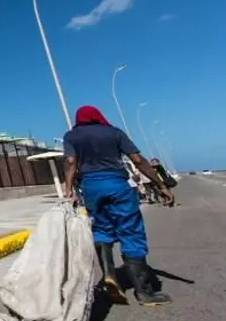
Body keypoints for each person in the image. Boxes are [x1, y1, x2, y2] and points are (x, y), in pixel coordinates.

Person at [63, 105, 174, 306]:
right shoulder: (114, 132)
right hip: (116, 184)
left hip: (91, 187)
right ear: (98, 116)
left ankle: (109, 275)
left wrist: (68, 188)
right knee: (131, 231)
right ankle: (144, 292)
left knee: (101, 229)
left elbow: (71, 162)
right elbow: (138, 160)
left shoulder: (71, 136)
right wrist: (160, 185)